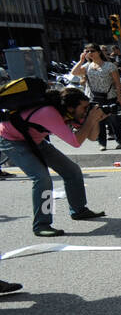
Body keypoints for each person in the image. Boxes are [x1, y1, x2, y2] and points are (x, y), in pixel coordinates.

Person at [0, 83, 107, 237]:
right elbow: (75, 142)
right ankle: (41, 225)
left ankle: (79, 210)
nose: (86, 111)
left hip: (34, 139)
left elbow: (91, 136)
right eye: (84, 108)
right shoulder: (49, 113)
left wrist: (95, 119)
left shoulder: (69, 113)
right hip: (12, 140)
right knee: (42, 179)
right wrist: (90, 119)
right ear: (70, 107)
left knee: (72, 171)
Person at [71, 43, 121, 150]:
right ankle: (102, 143)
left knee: (114, 120)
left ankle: (120, 142)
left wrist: (119, 97)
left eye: (92, 51)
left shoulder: (109, 66)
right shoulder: (87, 67)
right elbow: (74, 72)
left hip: (110, 97)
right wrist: (81, 60)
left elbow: (117, 83)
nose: (90, 53)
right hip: (94, 99)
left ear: (99, 52)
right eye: (87, 51)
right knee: (98, 121)